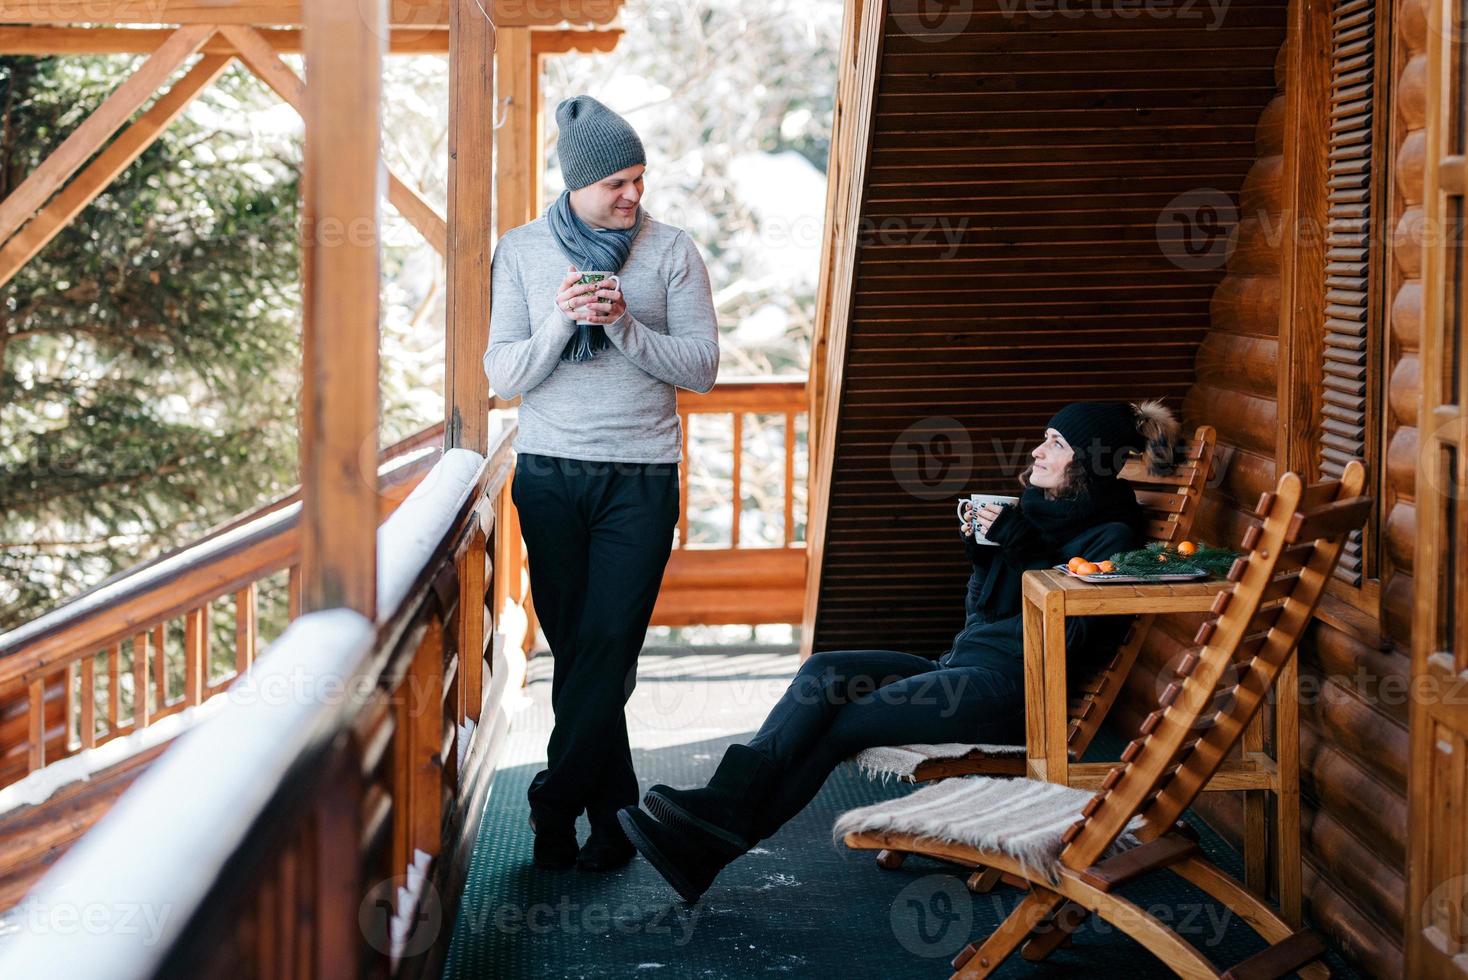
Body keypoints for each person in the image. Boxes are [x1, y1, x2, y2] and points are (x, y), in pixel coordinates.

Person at [617, 400, 1180, 901]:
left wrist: (1022, 554)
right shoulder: (1037, 512)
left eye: (1055, 443)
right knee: (826, 670)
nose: (1037, 450)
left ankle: (715, 837)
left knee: (846, 721)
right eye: (1045, 437)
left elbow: (1065, 639)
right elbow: (983, 619)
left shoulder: (1113, 539)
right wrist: (985, 556)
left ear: (1089, 462)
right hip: (963, 665)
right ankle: (721, 810)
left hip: (1013, 691)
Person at [484, 95, 720, 872]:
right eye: (616, 181)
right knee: (584, 655)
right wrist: (560, 321)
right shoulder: (520, 251)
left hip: (641, 481)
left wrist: (622, 325)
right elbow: (502, 374)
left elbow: (702, 370)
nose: (632, 195)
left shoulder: (673, 252)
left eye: (639, 178)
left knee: (608, 646)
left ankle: (553, 802)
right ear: (576, 183)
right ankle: (613, 818)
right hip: (550, 479)